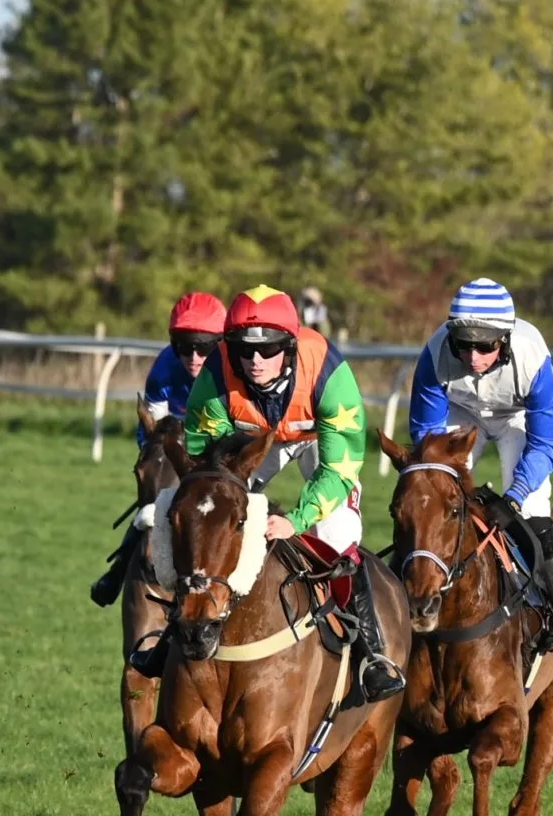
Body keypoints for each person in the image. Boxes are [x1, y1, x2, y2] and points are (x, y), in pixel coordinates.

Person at [182, 285, 403, 702]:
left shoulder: (329, 374)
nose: (255, 360)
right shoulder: (215, 375)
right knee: (207, 519)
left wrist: (296, 521)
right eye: (245, 350)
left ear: (289, 347)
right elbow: (203, 461)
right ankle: (173, 633)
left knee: (338, 532)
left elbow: (339, 469)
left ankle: (371, 652)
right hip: (249, 443)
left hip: (319, 441)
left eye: (268, 350)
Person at [408, 277, 553, 652]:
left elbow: (546, 440)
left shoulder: (531, 356)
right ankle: (402, 596)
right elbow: (426, 436)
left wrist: (515, 495)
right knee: (428, 499)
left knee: (532, 506)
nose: (473, 357)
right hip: (461, 414)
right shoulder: (435, 353)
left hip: (514, 419)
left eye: (485, 346)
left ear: (504, 340)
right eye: (463, 345)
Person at [91, 290, 227, 606]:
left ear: (220, 345)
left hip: (219, 442)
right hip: (176, 437)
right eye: (184, 346)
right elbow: (152, 434)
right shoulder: (163, 370)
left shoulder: (230, 371)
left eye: (204, 347)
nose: (194, 356)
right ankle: (118, 571)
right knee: (151, 508)